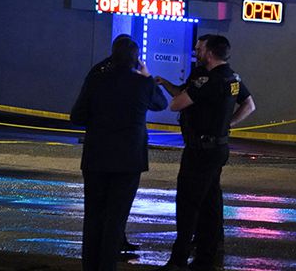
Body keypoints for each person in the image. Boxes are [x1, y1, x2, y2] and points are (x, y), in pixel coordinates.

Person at [155, 34, 255, 263]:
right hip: (217, 147)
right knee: (210, 202)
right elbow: (250, 105)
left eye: (199, 49)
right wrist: (227, 124)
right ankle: (207, 255)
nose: (196, 52)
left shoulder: (209, 81)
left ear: (210, 53)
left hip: (200, 150)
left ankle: (178, 260)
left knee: (188, 204)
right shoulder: (232, 78)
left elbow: (176, 104)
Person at [71, 37, 167, 271]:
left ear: (112, 56)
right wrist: (147, 76)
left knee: (93, 217)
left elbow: (77, 116)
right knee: (116, 218)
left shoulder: (96, 80)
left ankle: (90, 266)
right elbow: (161, 103)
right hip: (128, 161)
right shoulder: (142, 84)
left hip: (96, 157)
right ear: (136, 60)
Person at [86, 33, 143, 256]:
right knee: (117, 207)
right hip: (127, 155)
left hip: (98, 153)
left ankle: (101, 251)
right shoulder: (135, 78)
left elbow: (79, 114)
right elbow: (158, 102)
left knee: (97, 210)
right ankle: (113, 246)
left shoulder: (98, 74)